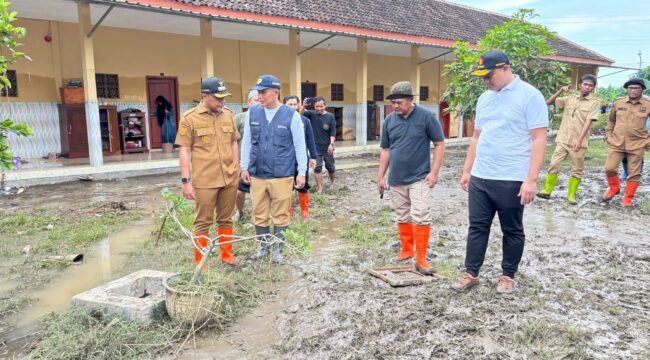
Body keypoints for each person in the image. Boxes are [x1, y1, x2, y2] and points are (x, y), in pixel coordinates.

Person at [455, 50, 548, 293]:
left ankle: (508, 275)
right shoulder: (484, 98)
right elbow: (477, 136)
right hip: (481, 175)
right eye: (482, 76)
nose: (486, 80)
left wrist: (531, 180)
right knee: (477, 226)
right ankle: (471, 273)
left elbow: (539, 139)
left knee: (512, 229)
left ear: (505, 68)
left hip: (511, 177)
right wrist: (468, 170)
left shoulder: (530, 96)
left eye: (489, 75)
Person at [377, 81, 445, 275]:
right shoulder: (389, 121)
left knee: (421, 214)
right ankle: (407, 249)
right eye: (393, 103)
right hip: (396, 179)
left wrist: (434, 173)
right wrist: (381, 177)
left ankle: (421, 257)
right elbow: (386, 150)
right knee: (401, 214)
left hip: (419, 177)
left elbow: (439, 144)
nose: (396, 106)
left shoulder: (426, 117)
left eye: (399, 102)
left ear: (410, 100)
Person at [240, 75, 308, 263]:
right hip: (257, 173)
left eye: (263, 92)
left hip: (282, 173)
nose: (259, 96)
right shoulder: (252, 113)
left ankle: (278, 250)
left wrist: (301, 172)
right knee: (259, 213)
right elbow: (246, 142)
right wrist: (243, 166)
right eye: (258, 92)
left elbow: (300, 145)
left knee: (280, 214)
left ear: (275, 92)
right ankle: (263, 247)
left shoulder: (291, 115)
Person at [175, 77, 240, 268]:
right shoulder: (190, 118)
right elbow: (184, 150)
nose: (222, 102)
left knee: (226, 218)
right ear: (205, 96)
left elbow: (233, 141)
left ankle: (226, 254)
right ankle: (200, 263)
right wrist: (186, 181)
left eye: (224, 98)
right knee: (203, 222)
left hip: (229, 177)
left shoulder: (228, 114)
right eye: (218, 98)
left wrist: (236, 167)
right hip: (205, 180)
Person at [536, 75, 600, 204]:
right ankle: (547, 191)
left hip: (578, 142)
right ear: (580, 85)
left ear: (593, 88)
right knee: (554, 164)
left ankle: (571, 196)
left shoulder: (596, 103)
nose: (587, 87)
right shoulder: (569, 98)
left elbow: (588, 122)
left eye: (590, 85)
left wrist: (579, 140)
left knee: (576, 169)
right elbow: (548, 103)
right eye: (585, 84)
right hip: (563, 139)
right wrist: (560, 91)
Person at [602, 78, 650, 206]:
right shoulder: (619, 103)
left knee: (634, 173)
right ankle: (614, 188)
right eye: (630, 88)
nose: (633, 90)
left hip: (638, 144)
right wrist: (608, 134)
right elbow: (611, 120)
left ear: (642, 89)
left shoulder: (647, 104)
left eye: (636, 88)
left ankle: (628, 198)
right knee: (609, 168)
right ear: (627, 89)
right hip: (616, 142)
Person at [284, 95, 318, 218]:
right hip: (285, 159)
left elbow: (310, 140)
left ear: (299, 105)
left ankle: (305, 212)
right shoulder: (281, 121)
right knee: (286, 187)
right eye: (290, 104)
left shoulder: (305, 121)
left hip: (301, 159)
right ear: (284, 105)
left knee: (302, 184)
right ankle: (288, 213)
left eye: (295, 104)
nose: (293, 107)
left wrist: (313, 157)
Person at [232, 89, 260, 221]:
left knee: (259, 191)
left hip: (259, 162)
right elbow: (231, 141)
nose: (258, 103)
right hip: (242, 162)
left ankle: (257, 216)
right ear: (249, 102)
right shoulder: (239, 118)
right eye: (255, 101)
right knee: (239, 191)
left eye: (260, 101)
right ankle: (240, 212)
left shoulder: (264, 118)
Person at [301, 96, 336, 193]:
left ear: (325, 105)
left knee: (330, 167)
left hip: (327, 147)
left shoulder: (330, 116)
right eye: (317, 106)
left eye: (321, 106)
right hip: (315, 148)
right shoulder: (311, 114)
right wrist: (303, 106)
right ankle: (319, 188)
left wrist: (331, 144)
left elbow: (333, 131)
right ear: (314, 106)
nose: (319, 108)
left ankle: (332, 182)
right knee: (317, 168)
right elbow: (300, 114)